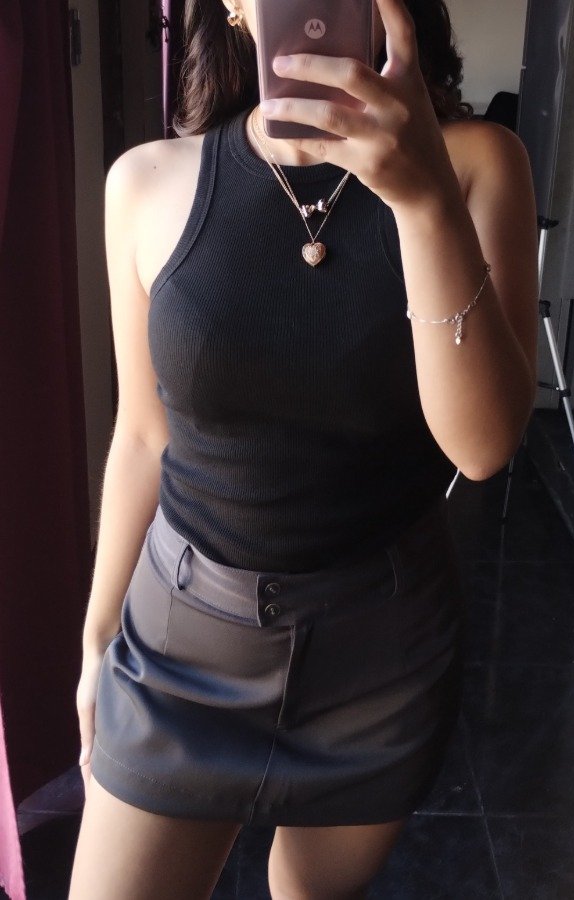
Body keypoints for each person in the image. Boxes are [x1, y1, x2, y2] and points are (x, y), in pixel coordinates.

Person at [68, 0, 538, 897]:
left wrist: (423, 200)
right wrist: (96, 642)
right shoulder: (145, 182)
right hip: (178, 647)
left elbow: (481, 447)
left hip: (379, 655)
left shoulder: (477, 163)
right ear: (235, 6)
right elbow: (142, 435)